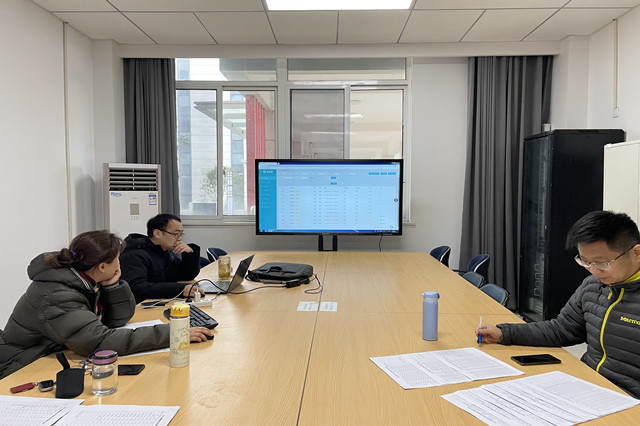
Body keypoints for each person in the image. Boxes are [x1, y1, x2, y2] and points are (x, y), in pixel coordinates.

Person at [0, 230, 212, 380]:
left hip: (56, 355)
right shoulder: (58, 295)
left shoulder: (85, 280)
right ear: (102, 266)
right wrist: (173, 333)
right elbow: (99, 342)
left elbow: (118, 320)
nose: (120, 264)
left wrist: (112, 286)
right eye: (118, 259)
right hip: (24, 366)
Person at [476, 210, 640, 398]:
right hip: (588, 386)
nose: (593, 271)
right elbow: (561, 329)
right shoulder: (592, 286)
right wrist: (505, 333)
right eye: (585, 262)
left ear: (636, 252)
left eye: (601, 263)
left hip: (628, 400)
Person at [119, 213, 204, 304]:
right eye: (176, 234)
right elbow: (137, 289)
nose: (179, 238)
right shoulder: (134, 254)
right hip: (139, 307)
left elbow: (185, 276)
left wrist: (189, 253)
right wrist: (180, 289)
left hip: (160, 302)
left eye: (181, 234)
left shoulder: (164, 250)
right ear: (157, 233)